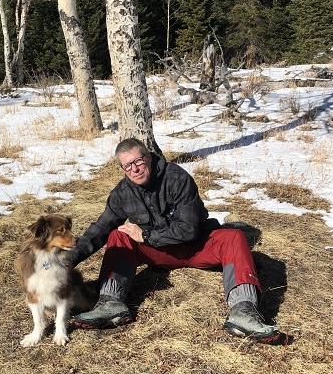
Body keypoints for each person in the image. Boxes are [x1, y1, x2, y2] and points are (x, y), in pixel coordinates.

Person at [69, 138, 280, 343]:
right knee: (118, 235)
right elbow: (100, 229)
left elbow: (188, 229)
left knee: (234, 236)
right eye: (127, 166)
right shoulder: (122, 193)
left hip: (196, 248)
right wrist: (67, 261)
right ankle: (110, 303)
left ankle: (243, 310)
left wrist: (145, 236)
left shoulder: (177, 178)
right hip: (159, 253)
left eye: (138, 161)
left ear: (148, 157)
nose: (135, 169)